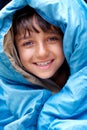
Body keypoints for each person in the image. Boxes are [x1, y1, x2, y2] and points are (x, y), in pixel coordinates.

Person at [0, 0, 87, 130]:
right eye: (28, 43)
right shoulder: (5, 96)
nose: (42, 53)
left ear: (69, 38)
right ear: (13, 49)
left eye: (52, 38)